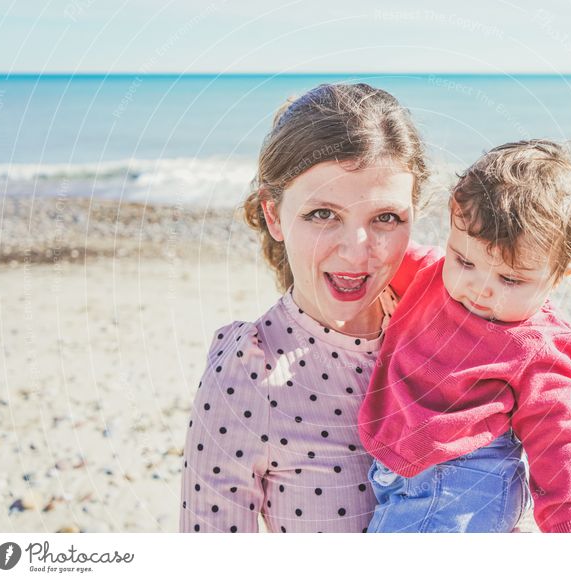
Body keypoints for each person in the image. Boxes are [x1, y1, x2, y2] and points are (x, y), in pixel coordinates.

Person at [179, 82, 430, 533]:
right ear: (274, 215)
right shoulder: (248, 374)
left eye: (385, 218)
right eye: (322, 214)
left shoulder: (449, 326)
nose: (357, 252)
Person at [358, 140, 571, 533]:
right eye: (465, 260)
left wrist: (570, 526)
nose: (479, 287)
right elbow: (385, 257)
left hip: (464, 485)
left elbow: (561, 437)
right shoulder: (435, 273)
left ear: (560, 275)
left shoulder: (534, 343)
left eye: (510, 278)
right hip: (403, 471)